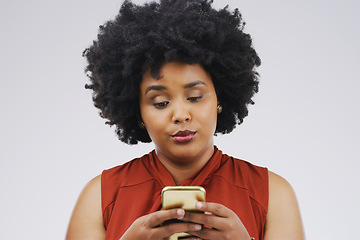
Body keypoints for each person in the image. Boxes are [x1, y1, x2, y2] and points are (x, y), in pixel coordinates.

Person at [66, 0, 305, 239]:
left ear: (219, 99)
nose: (180, 115)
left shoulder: (272, 194)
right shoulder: (100, 197)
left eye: (194, 97)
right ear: (137, 111)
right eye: (160, 103)